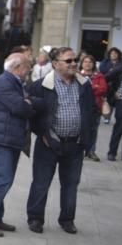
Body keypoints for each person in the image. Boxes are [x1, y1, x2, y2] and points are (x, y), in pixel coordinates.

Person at [25, 47, 98, 234]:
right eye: (68, 61)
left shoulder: (84, 85)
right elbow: (29, 111)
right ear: (56, 64)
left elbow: (91, 111)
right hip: (48, 143)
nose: (74, 63)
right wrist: (41, 133)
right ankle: (35, 218)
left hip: (75, 144)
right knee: (41, 182)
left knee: (71, 184)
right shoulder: (41, 85)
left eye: (75, 60)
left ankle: (67, 219)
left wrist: (87, 138)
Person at [0, 53, 39, 236]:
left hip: (10, 136)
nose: (29, 70)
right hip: (1, 138)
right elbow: (20, 107)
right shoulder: (4, 82)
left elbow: (25, 104)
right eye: (27, 66)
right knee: (3, 179)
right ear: (17, 67)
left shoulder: (14, 82)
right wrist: (26, 104)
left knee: (3, 178)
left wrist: (27, 102)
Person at [78, 54, 106, 162]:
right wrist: (94, 87)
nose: (87, 64)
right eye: (85, 62)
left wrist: (89, 88)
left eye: (90, 62)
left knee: (93, 130)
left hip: (95, 107)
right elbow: (78, 90)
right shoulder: (78, 75)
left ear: (94, 64)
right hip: (80, 106)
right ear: (82, 64)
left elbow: (103, 89)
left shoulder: (99, 76)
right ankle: (80, 150)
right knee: (80, 129)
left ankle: (91, 151)